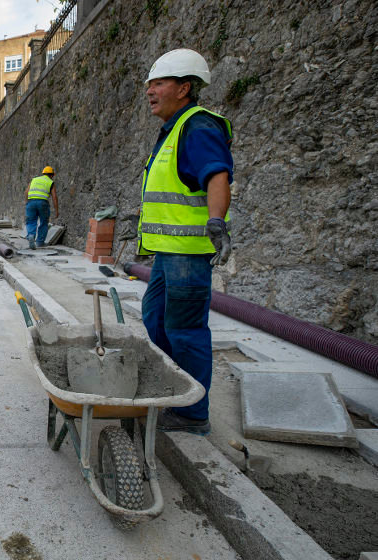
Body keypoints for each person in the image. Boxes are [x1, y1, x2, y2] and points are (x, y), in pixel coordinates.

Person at [137, 49, 234, 436]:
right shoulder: (174, 129)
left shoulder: (198, 126)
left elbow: (217, 175)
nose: (150, 91)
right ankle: (173, 387)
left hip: (189, 254)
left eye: (158, 83)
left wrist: (216, 222)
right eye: (149, 84)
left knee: (186, 331)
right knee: (154, 318)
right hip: (168, 254)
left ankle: (193, 414)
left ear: (184, 88)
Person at [25, 165, 60, 249]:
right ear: (52, 175)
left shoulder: (34, 180)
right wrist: (56, 210)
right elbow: (54, 197)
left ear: (43, 173)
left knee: (31, 221)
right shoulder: (50, 182)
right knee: (44, 222)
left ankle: (31, 235)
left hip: (31, 202)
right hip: (42, 203)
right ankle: (40, 242)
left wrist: (27, 202)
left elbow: (26, 191)